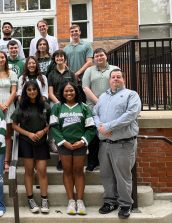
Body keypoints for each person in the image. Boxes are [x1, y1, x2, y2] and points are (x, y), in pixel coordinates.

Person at [94, 69, 141, 219]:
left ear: (123, 79)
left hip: (123, 144)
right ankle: (109, 201)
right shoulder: (102, 96)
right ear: (109, 80)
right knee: (106, 175)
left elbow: (130, 115)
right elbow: (94, 113)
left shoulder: (131, 95)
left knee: (123, 176)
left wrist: (108, 127)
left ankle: (125, 204)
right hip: (104, 143)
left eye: (118, 77)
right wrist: (100, 126)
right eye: (113, 77)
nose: (115, 79)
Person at [50, 81, 96, 215]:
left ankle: (80, 201)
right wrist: (63, 142)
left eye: (71, 90)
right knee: (67, 171)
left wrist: (83, 141)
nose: (69, 93)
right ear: (62, 93)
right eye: (66, 91)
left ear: (76, 92)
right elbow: (54, 126)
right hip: (64, 145)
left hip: (79, 145)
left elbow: (91, 128)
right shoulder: (57, 107)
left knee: (78, 171)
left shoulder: (84, 107)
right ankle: (71, 200)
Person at [12, 80, 51, 214]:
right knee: (28, 171)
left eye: (34, 89)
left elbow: (51, 123)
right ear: (25, 91)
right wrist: (28, 134)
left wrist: (43, 131)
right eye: (29, 90)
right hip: (26, 141)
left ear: (38, 91)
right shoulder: (21, 106)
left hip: (41, 142)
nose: (32, 92)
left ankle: (44, 199)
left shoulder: (45, 105)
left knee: (42, 170)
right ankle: (30, 199)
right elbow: (14, 125)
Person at [82, 48, 120, 171]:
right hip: (93, 107)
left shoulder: (114, 69)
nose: (99, 58)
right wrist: (100, 103)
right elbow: (85, 88)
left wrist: (108, 103)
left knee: (108, 132)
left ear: (106, 56)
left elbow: (118, 85)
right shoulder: (89, 70)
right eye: (96, 56)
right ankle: (92, 162)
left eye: (101, 55)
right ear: (94, 59)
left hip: (112, 107)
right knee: (93, 135)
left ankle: (109, 163)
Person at [47, 50, 77, 170]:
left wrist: (68, 104)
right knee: (58, 131)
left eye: (61, 56)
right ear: (54, 59)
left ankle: (68, 158)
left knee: (68, 130)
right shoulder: (51, 74)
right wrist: (59, 104)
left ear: (65, 58)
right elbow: (50, 92)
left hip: (70, 105)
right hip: (56, 104)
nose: (59, 58)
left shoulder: (71, 73)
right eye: (57, 56)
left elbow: (75, 90)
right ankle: (61, 159)